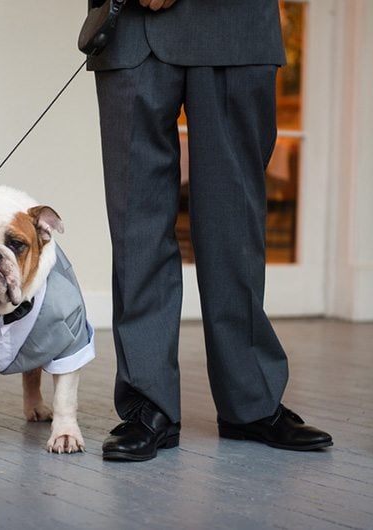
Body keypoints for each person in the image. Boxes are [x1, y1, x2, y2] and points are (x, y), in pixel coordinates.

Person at [88, 0, 333, 461]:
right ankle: (148, 405)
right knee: (135, 228)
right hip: (132, 31)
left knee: (234, 225)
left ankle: (251, 403)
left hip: (236, 28)